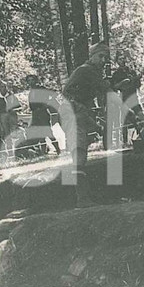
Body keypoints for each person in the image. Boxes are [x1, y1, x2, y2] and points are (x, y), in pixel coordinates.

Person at [62, 41, 111, 208]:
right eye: (100, 56)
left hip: (80, 114)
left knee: (82, 154)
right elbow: (66, 94)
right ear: (92, 56)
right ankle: (82, 199)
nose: (104, 60)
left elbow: (102, 90)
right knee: (79, 155)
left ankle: (84, 196)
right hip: (73, 114)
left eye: (106, 57)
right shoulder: (86, 70)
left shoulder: (92, 72)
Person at [23, 74, 59, 155]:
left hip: (42, 112)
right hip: (35, 114)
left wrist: (47, 104)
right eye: (29, 80)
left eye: (32, 80)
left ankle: (57, 149)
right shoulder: (31, 92)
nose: (30, 82)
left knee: (48, 131)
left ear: (35, 80)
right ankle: (43, 151)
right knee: (39, 132)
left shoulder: (41, 88)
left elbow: (53, 94)